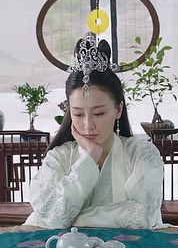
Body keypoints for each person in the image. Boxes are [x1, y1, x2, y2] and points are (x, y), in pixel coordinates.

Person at [24, 34, 166, 230]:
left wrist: (72, 221)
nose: (88, 125)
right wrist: (90, 157)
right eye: (78, 114)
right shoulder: (59, 157)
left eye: (99, 113)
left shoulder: (142, 154)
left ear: (118, 109)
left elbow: (143, 216)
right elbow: (52, 216)